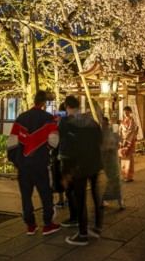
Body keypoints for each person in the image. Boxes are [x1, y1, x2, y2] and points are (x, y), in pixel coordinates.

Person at [7, 91, 61, 237]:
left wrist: (17, 161)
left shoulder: (21, 118)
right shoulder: (48, 119)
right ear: (44, 103)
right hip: (41, 163)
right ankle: (48, 224)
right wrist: (46, 149)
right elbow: (54, 141)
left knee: (26, 196)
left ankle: (30, 225)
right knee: (45, 194)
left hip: (24, 165)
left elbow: (11, 144)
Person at [58, 96, 103, 246]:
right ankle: (97, 227)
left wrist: (67, 171)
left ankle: (82, 234)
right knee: (95, 195)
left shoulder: (66, 122)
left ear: (66, 106)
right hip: (94, 163)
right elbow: (100, 141)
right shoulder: (92, 121)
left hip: (78, 165)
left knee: (80, 197)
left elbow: (66, 147)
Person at [100, 117, 123, 209]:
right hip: (107, 161)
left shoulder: (111, 134)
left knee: (114, 180)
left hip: (113, 160)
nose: (104, 126)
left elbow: (120, 140)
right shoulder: (100, 135)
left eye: (105, 124)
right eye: (102, 124)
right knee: (113, 181)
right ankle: (118, 201)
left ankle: (106, 200)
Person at [119, 106, 138, 182]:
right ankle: (124, 175)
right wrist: (120, 140)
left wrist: (126, 140)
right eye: (124, 112)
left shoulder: (132, 121)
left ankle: (129, 176)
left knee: (129, 158)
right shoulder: (122, 121)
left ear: (130, 112)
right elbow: (120, 131)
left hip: (129, 141)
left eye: (127, 112)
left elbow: (131, 132)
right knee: (123, 158)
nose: (125, 113)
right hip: (123, 141)